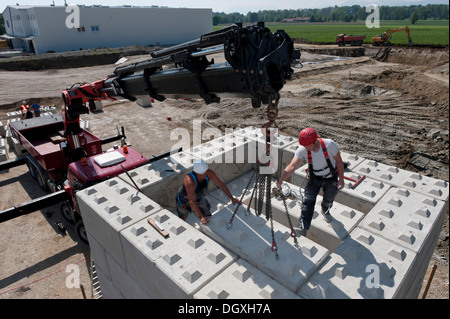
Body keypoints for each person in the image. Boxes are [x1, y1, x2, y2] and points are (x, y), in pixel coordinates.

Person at [276, 127, 345, 237]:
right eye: (304, 146)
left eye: (308, 146)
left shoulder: (329, 145)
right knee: (308, 202)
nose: (305, 148)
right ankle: (303, 227)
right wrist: (281, 179)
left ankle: (325, 210)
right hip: (314, 178)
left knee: (329, 199)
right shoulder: (303, 149)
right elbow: (292, 166)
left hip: (330, 177)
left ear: (315, 141)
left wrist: (341, 179)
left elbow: (339, 161)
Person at [176, 159, 240, 224]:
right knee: (183, 214)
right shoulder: (190, 181)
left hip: (197, 195)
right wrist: (201, 217)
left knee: (205, 209)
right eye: (200, 175)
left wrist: (232, 198)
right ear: (195, 172)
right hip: (183, 198)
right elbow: (191, 201)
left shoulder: (209, 173)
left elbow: (221, 185)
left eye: (204, 173)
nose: (203, 176)